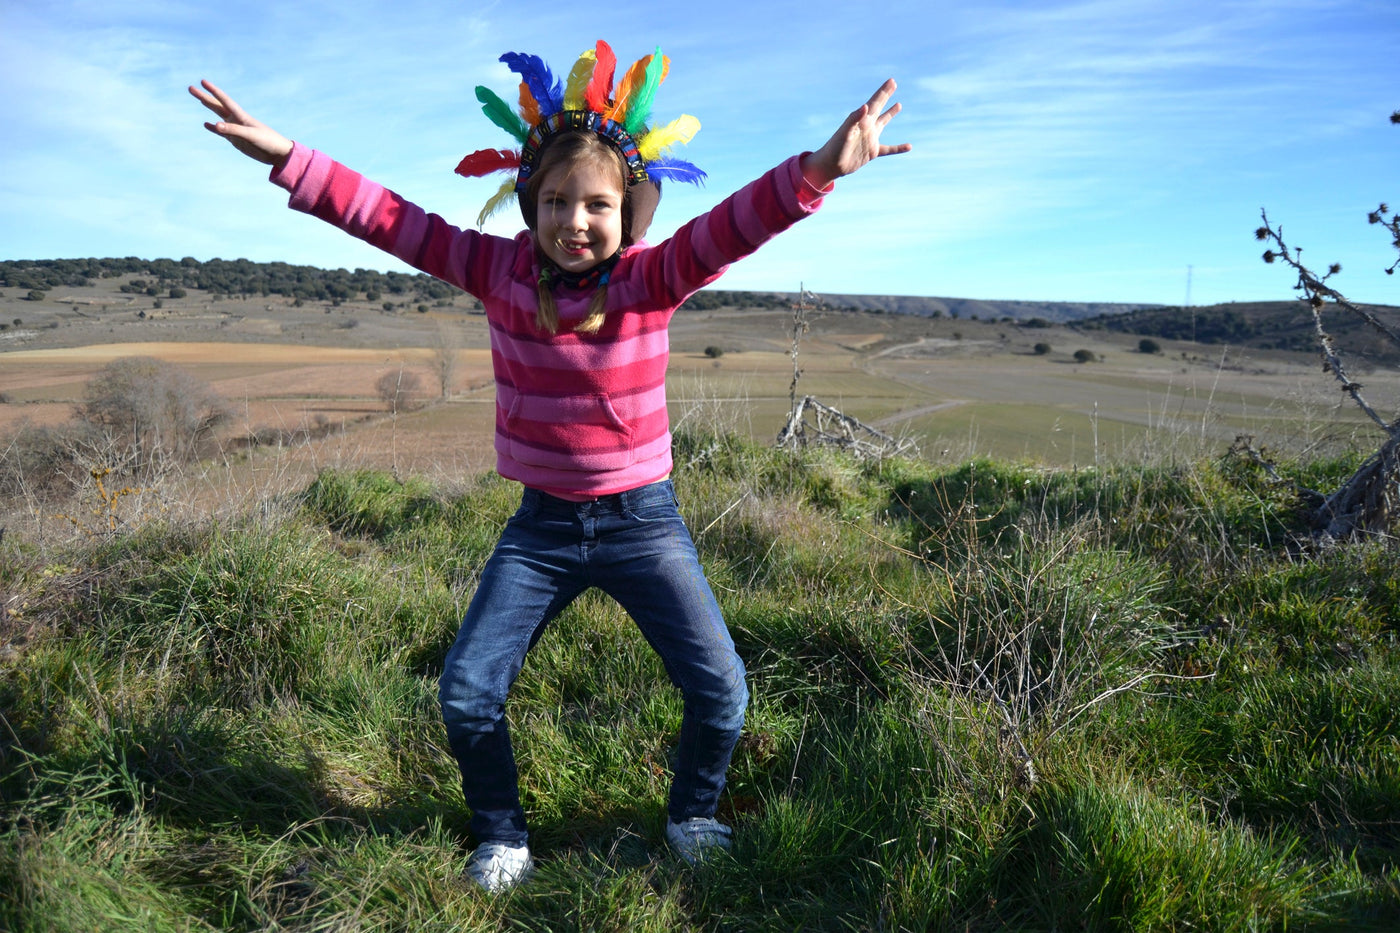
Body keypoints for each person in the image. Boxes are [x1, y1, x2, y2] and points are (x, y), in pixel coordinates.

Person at [191, 39, 909, 892]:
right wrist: (290, 159)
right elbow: (391, 219)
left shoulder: (653, 278)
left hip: (644, 521)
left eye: (597, 204)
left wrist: (822, 167)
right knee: (466, 691)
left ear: (630, 212)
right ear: (529, 205)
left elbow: (735, 224)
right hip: (542, 528)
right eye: (558, 202)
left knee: (722, 688)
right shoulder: (495, 271)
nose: (576, 221)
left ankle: (693, 814)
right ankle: (502, 835)